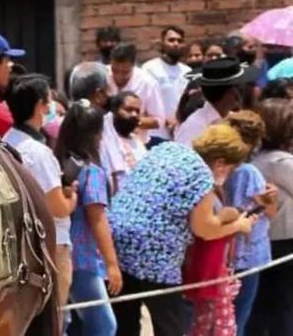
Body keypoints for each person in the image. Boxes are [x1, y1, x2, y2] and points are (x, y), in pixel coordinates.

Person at [108, 124, 256, 336]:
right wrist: (238, 225)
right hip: (156, 255)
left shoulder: (168, 149)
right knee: (170, 327)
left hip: (119, 242)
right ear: (221, 162)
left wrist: (223, 215)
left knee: (126, 321)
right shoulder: (201, 174)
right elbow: (204, 228)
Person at [3, 74, 76, 327]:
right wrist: (72, 197)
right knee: (54, 320)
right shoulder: (38, 153)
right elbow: (57, 207)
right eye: (48, 101)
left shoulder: (5, 141)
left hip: (20, 244)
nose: (51, 107)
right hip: (50, 247)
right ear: (40, 106)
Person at [54, 100, 121, 336]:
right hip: (84, 261)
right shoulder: (91, 171)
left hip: (62, 253)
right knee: (104, 326)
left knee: (74, 324)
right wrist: (112, 264)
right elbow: (97, 218)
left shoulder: (59, 162)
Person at [220, 110, 275, 335]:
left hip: (226, 252)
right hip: (247, 253)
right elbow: (268, 210)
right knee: (238, 319)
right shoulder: (250, 172)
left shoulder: (222, 166)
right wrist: (272, 195)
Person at [246, 98, 293, 335]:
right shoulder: (281, 162)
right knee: (283, 309)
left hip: (269, 243)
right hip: (284, 245)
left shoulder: (257, 159)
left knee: (264, 307)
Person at [176, 58, 254, 145]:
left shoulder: (234, 120)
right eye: (240, 87)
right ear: (233, 92)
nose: (243, 92)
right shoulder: (194, 127)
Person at [142, 26, 191, 140]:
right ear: (162, 43)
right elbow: (145, 101)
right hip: (155, 134)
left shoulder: (187, 72)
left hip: (181, 133)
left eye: (179, 41)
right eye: (171, 40)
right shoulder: (150, 68)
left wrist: (177, 118)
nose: (175, 44)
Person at [107, 43, 164, 141]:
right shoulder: (102, 76)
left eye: (125, 72)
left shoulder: (147, 83)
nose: (119, 76)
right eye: (115, 70)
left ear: (133, 65)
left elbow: (158, 121)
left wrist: (131, 121)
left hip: (136, 143)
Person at [99, 91, 147, 192]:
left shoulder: (138, 143)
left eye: (137, 111)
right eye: (128, 110)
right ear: (115, 111)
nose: (134, 115)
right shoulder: (102, 140)